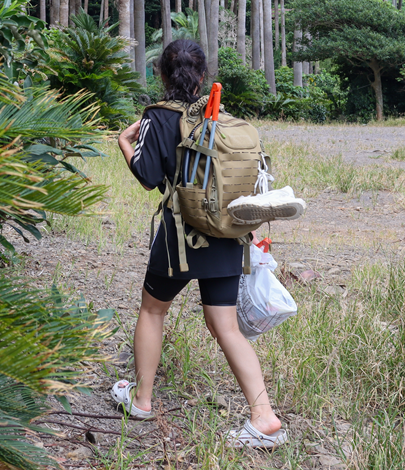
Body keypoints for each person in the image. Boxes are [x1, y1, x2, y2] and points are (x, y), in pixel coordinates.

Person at [112, 39, 287, 450]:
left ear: (161, 73)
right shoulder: (220, 117)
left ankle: (141, 401)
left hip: (179, 236)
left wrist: (125, 144)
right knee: (226, 327)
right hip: (227, 234)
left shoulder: (157, 115)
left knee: (153, 311)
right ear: (203, 76)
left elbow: (150, 175)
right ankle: (263, 416)